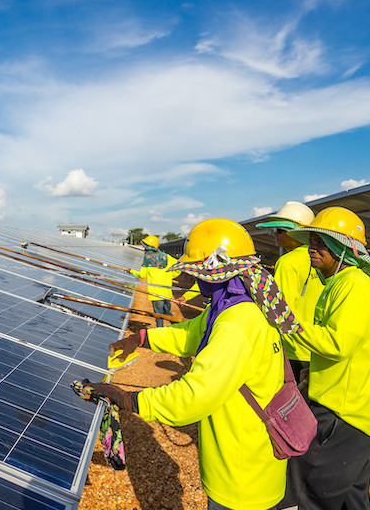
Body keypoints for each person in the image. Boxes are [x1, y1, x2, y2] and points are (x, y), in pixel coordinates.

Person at [93, 219, 291, 510]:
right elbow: (190, 334)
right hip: (252, 460)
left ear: (213, 273)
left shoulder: (236, 325)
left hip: (241, 476)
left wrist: (128, 399)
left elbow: (194, 396)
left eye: (196, 273)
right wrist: (141, 338)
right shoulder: (236, 308)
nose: (194, 281)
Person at [281, 206, 370, 510]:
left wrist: (288, 325)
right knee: (351, 501)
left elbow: (337, 343)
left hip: (343, 413)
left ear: (346, 248)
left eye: (321, 244)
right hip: (359, 414)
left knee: (308, 495)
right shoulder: (340, 284)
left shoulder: (353, 286)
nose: (312, 250)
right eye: (311, 243)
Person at [256, 201, 325, 384]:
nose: (275, 235)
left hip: (293, 345)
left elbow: (276, 308)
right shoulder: (324, 259)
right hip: (316, 344)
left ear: (298, 233)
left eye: (280, 230)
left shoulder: (287, 262)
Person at [130, 235, 181, 327]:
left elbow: (142, 275)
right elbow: (178, 267)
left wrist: (131, 271)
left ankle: (159, 330)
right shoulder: (166, 256)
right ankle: (178, 326)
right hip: (166, 292)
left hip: (156, 293)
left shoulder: (147, 259)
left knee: (158, 314)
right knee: (167, 313)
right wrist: (171, 275)